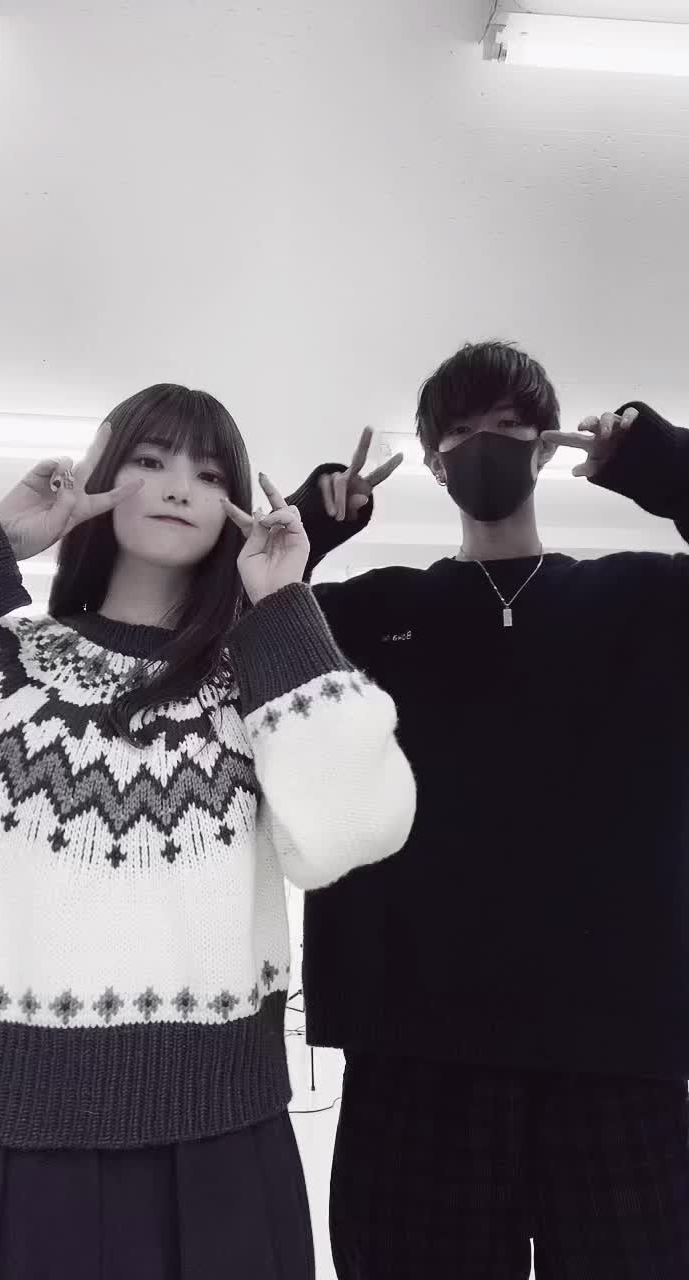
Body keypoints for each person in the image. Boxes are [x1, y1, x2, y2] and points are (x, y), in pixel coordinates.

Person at [0, 383, 416, 1280]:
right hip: (1, 1130)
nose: (179, 485)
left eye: (210, 474)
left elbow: (355, 828)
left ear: (235, 506)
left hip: (218, 1140)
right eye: (149, 460)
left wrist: (282, 607)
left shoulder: (255, 673)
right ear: (100, 477)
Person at [290, 342, 689, 1279]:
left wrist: (662, 466)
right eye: (462, 431)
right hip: (414, 1047)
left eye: (510, 426)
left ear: (547, 445)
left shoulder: (648, 601)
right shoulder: (361, 615)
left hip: (617, 1050)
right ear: (433, 462)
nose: (485, 445)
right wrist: (307, 532)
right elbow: (217, 642)